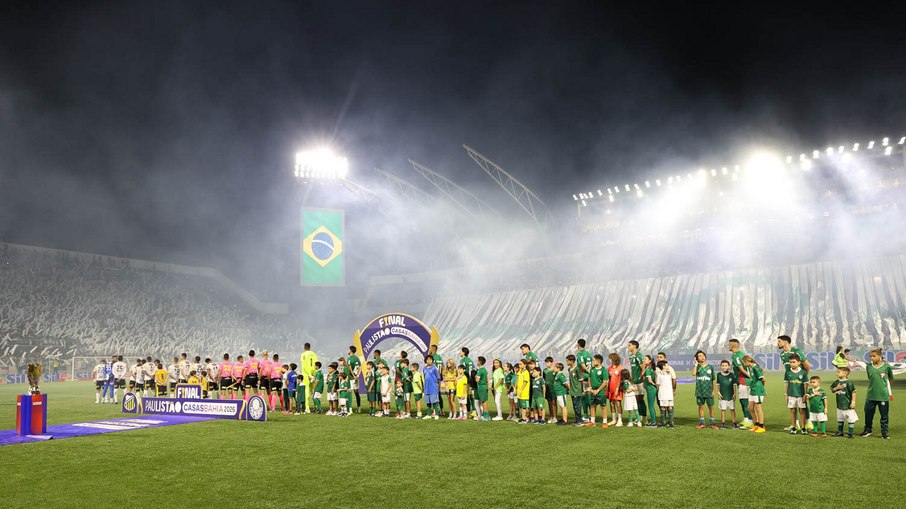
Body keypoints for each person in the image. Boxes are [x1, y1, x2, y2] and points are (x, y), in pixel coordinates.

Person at [860, 348, 893, 439]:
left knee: (884, 415)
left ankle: (884, 432)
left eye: (874, 356)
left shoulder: (886, 367)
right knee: (868, 414)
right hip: (871, 395)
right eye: (870, 356)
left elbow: (891, 378)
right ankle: (867, 430)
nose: (872, 358)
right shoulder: (869, 367)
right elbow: (870, 378)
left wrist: (884, 388)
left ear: (880, 356)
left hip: (883, 396)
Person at [729, 338, 753, 427]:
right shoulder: (741, 354)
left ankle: (750, 421)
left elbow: (741, 369)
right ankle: (746, 419)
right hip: (743, 381)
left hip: (743, 381)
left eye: (729, 345)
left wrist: (750, 377)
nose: (728, 346)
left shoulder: (735, 356)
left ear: (732, 346)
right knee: (743, 401)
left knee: (745, 401)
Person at [784, 353, 809, 434]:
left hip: (801, 395)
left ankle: (803, 427)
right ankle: (794, 427)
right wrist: (785, 394)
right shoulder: (788, 372)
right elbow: (786, 383)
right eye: (790, 362)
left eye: (793, 362)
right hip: (791, 395)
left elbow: (805, 383)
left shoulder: (803, 372)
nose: (792, 364)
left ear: (799, 362)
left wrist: (805, 394)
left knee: (802, 411)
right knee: (793, 411)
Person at [829, 366, 857, 438]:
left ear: (845, 374)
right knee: (840, 419)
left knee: (850, 419)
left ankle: (850, 433)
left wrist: (853, 402)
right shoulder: (836, 382)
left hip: (847, 405)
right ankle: (840, 432)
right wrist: (836, 388)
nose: (836, 373)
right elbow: (832, 390)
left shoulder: (849, 383)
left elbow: (853, 392)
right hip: (839, 405)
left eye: (838, 372)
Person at [692, 350, 718, 429]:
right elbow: (693, 374)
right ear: (697, 358)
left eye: (703, 355)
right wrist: (696, 365)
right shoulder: (697, 367)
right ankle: (702, 423)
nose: (702, 357)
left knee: (711, 406)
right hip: (699, 391)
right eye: (699, 356)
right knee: (701, 406)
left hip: (709, 391)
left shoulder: (710, 367)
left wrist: (714, 390)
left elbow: (713, 379)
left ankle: (713, 423)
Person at [743, 355, 766, 433]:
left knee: (758, 407)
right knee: (750, 407)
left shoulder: (755, 368)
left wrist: (762, 389)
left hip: (757, 389)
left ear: (747, 361)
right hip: (752, 389)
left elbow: (763, 379)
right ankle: (756, 425)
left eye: (744, 362)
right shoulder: (751, 368)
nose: (743, 363)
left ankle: (761, 426)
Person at [716, 360, 739, 429]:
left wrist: (735, 394)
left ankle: (734, 423)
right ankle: (723, 423)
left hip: (730, 395)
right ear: (720, 366)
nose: (724, 367)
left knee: (732, 409)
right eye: (723, 365)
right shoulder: (719, 375)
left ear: (729, 366)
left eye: (726, 365)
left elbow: (734, 385)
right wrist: (718, 393)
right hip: (723, 396)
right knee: (723, 409)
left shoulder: (732, 375)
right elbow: (718, 384)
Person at [628, 340, 646, 422]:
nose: (628, 347)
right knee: (636, 399)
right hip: (634, 381)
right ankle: (639, 416)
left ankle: (643, 416)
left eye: (629, 345)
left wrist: (641, 377)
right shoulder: (631, 356)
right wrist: (631, 378)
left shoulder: (639, 355)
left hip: (640, 381)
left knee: (640, 399)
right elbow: (633, 368)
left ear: (634, 346)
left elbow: (643, 366)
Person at [588, 354, 609, 427]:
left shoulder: (604, 370)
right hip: (593, 391)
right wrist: (590, 387)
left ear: (598, 362)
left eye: (593, 360)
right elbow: (589, 379)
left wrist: (598, 390)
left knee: (603, 406)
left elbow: (605, 382)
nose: (592, 362)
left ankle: (605, 422)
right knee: (592, 406)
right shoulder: (592, 370)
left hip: (601, 392)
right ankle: (592, 421)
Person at [576, 339, 594, 419]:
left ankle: (586, 415)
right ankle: (591, 415)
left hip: (583, 377)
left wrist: (587, 372)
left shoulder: (580, 354)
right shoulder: (589, 354)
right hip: (589, 378)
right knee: (589, 396)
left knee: (583, 396)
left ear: (578, 345)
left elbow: (583, 365)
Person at [566, 355, 585, 426]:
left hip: (577, 390)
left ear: (572, 361)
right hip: (572, 391)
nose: (566, 362)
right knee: (574, 406)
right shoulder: (569, 369)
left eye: (567, 361)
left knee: (577, 406)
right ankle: (577, 420)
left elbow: (581, 380)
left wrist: (582, 390)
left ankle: (580, 421)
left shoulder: (577, 369)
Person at [655, 360, 674, 427]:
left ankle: (671, 422)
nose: (668, 366)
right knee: (663, 407)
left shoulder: (669, 374)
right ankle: (663, 422)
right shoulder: (659, 375)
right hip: (663, 393)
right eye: (667, 365)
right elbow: (658, 384)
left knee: (670, 406)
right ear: (663, 366)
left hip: (669, 393)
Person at [300, 343, 319, 413]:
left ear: (304, 347)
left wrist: (308, 374)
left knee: (306, 390)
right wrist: (313, 374)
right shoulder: (314, 354)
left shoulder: (303, 354)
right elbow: (316, 365)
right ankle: (316, 407)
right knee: (314, 390)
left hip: (306, 375)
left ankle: (307, 408)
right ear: (310, 347)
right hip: (313, 374)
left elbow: (303, 366)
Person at [641, 355, 658, 427]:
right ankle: (654, 421)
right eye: (643, 359)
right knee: (651, 406)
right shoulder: (648, 368)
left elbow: (649, 380)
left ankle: (653, 422)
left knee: (650, 406)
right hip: (650, 389)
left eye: (645, 359)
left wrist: (654, 385)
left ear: (650, 360)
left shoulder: (648, 369)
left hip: (651, 389)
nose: (643, 360)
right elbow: (642, 374)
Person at [606, 353, 622, 426]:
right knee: (612, 404)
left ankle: (620, 420)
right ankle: (613, 419)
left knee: (618, 404)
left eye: (610, 358)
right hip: (610, 388)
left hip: (617, 389)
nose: (609, 360)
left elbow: (621, 380)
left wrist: (617, 389)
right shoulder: (609, 368)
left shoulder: (620, 368)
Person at [459, 348, 475, 417]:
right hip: (471, 380)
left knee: (467, 396)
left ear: (464, 353)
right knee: (471, 396)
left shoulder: (463, 361)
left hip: (466, 380)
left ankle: (469, 411)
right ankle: (473, 411)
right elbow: (473, 370)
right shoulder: (470, 360)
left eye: (461, 352)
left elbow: (464, 372)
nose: (460, 353)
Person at [473, 356, 490, 421]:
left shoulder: (480, 370)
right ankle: (485, 415)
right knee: (483, 402)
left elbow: (477, 380)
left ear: (480, 362)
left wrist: (474, 376)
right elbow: (487, 377)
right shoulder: (484, 369)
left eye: (477, 360)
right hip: (483, 387)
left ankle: (486, 416)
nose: (476, 362)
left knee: (483, 402)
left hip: (481, 387)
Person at [347, 346, 362, 413]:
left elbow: (349, 369)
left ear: (350, 350)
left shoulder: (349, 359)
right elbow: (360, 367)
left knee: (349, 393)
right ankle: (359, 408)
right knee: (356, 393)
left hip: (351, 378)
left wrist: (353, 376)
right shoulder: (357, 358)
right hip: (356, 378)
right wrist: (357, 376)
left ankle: (349, 409)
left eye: (348, 349)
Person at [515, 359, 530, 424]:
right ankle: (522, 417)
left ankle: (524, 418)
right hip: (519, 392)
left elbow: (525, 382)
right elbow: (517, 380)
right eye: (519, 364)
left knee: (524, 407)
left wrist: (521, 390)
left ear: (525, 365)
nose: (519, 365)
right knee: (520, 406)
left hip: (524, 392)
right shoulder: (520, 372)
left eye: (521, 364)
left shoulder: (526, 372)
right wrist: (515, 388)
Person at [543, 357, 557, 423]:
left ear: (552, 362)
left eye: (548, 362)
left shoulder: (555, 370)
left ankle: (555, 417)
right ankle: (551, 417)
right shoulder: (544, 370)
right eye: (546, 363)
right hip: (548, 389)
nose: (547, 364)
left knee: (554, 402)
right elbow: (544, 379)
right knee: (549, 402)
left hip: (553, 389)